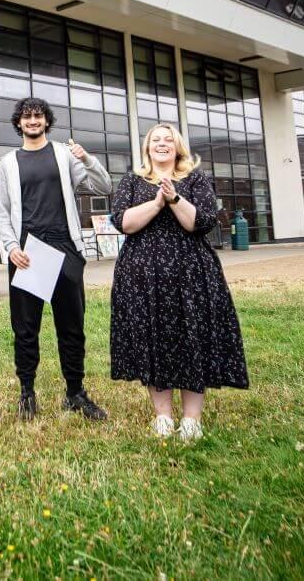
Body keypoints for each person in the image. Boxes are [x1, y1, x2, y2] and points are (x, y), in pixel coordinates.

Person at [109, 123, 249, 442]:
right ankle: (162, 417)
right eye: (155, 139)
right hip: (141, 275)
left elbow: (198, 223)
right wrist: (157, 202)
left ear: (178, 147)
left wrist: (173, 199)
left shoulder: (195, 179)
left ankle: (191, 420)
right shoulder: (132, 181)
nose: (161, 144)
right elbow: (124, 223)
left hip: (191, 272)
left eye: (168, 140)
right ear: (147, 147)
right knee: (153, 338)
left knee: (192, 338)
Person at [0, 97, 112, 421]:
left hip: (65, 249)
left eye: (38, 116)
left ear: (47, 121)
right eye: (27, 117)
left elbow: (104, 185)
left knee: (72, 328)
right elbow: (1, 213)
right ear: (19, 123)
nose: (33, 121)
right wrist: (10, 247)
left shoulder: (63, 154)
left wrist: (86, 157)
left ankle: (75, 393)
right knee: (26, 329)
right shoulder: (7, 163)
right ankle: (27, 393)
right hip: (27, 253)